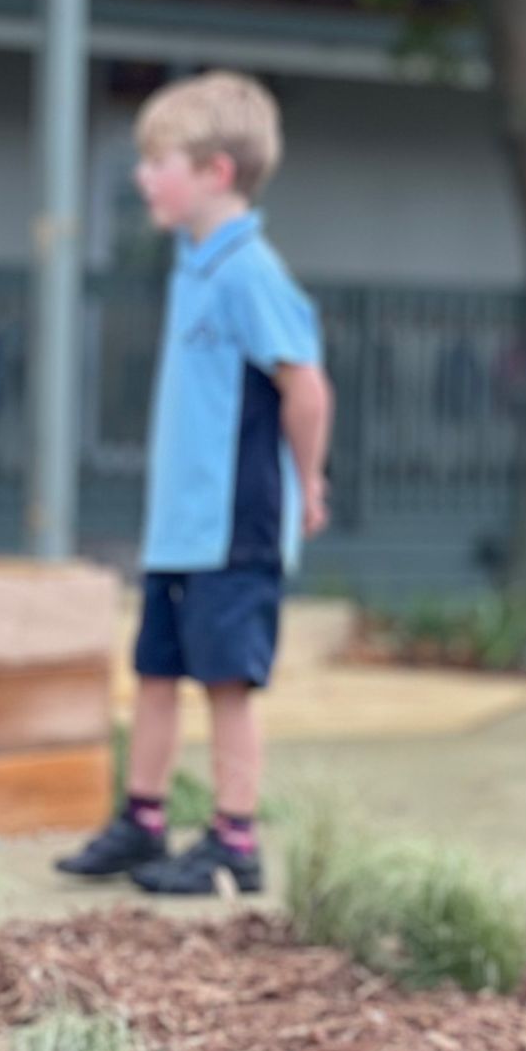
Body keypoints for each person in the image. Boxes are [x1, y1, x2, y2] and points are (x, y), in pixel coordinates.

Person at [54, 71, 334, 896]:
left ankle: (234, 843)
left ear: (215, 170)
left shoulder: (251, 273)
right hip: (181, 525)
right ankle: (143, 821)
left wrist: (308, 485)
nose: (144, 177)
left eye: (158, 161)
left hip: (233, 524)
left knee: (227, 681)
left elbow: (305, 386)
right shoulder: (194, 266)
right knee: (154, 670)